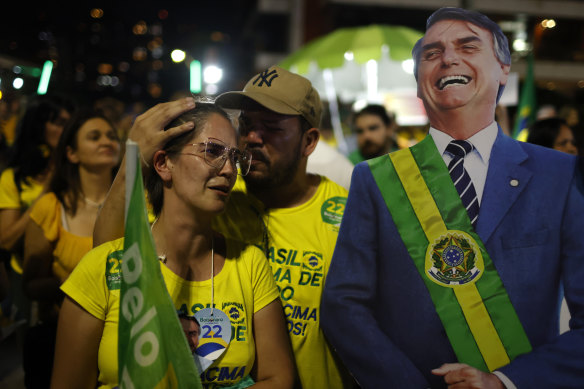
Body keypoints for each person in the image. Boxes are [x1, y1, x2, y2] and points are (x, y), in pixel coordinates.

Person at [322, 7, 584, 389]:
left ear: (504, 70)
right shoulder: (375, 179)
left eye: (467, 46)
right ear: (418, 83)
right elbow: (343, 308)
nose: (448, 58)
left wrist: (506, 382)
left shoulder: (558, 175)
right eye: (431, 53)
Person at [93, 67, 353, 389]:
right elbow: (109, 255)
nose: (252, 139)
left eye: (270, 128)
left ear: (309, 141)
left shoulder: (347, 217)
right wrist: (133, 159)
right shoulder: (210, 192)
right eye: (247, 124)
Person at [52, 101, 295, 389]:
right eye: (213, 151)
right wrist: (133, 155)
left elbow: (279, 379)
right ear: (163, 163)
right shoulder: (103, 267)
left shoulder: (249, 263)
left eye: (235, 157)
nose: (229, 169)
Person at [21, 110, 121, 388]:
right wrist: (80, 285)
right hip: (58, 337)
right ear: (72, 153)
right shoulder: (51, 208)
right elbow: (31, 285)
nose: (107, 141)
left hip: (122, 337)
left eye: (112, 136)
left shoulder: (140, 206)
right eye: (94, 137)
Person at [0, 95, 74, 274]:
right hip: (26, 275)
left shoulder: (80, 174)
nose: (65, 131)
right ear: (39, 127)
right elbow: (6, 241)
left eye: (69, 124)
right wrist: (45, 193)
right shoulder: (14, 178)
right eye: (58, 123)